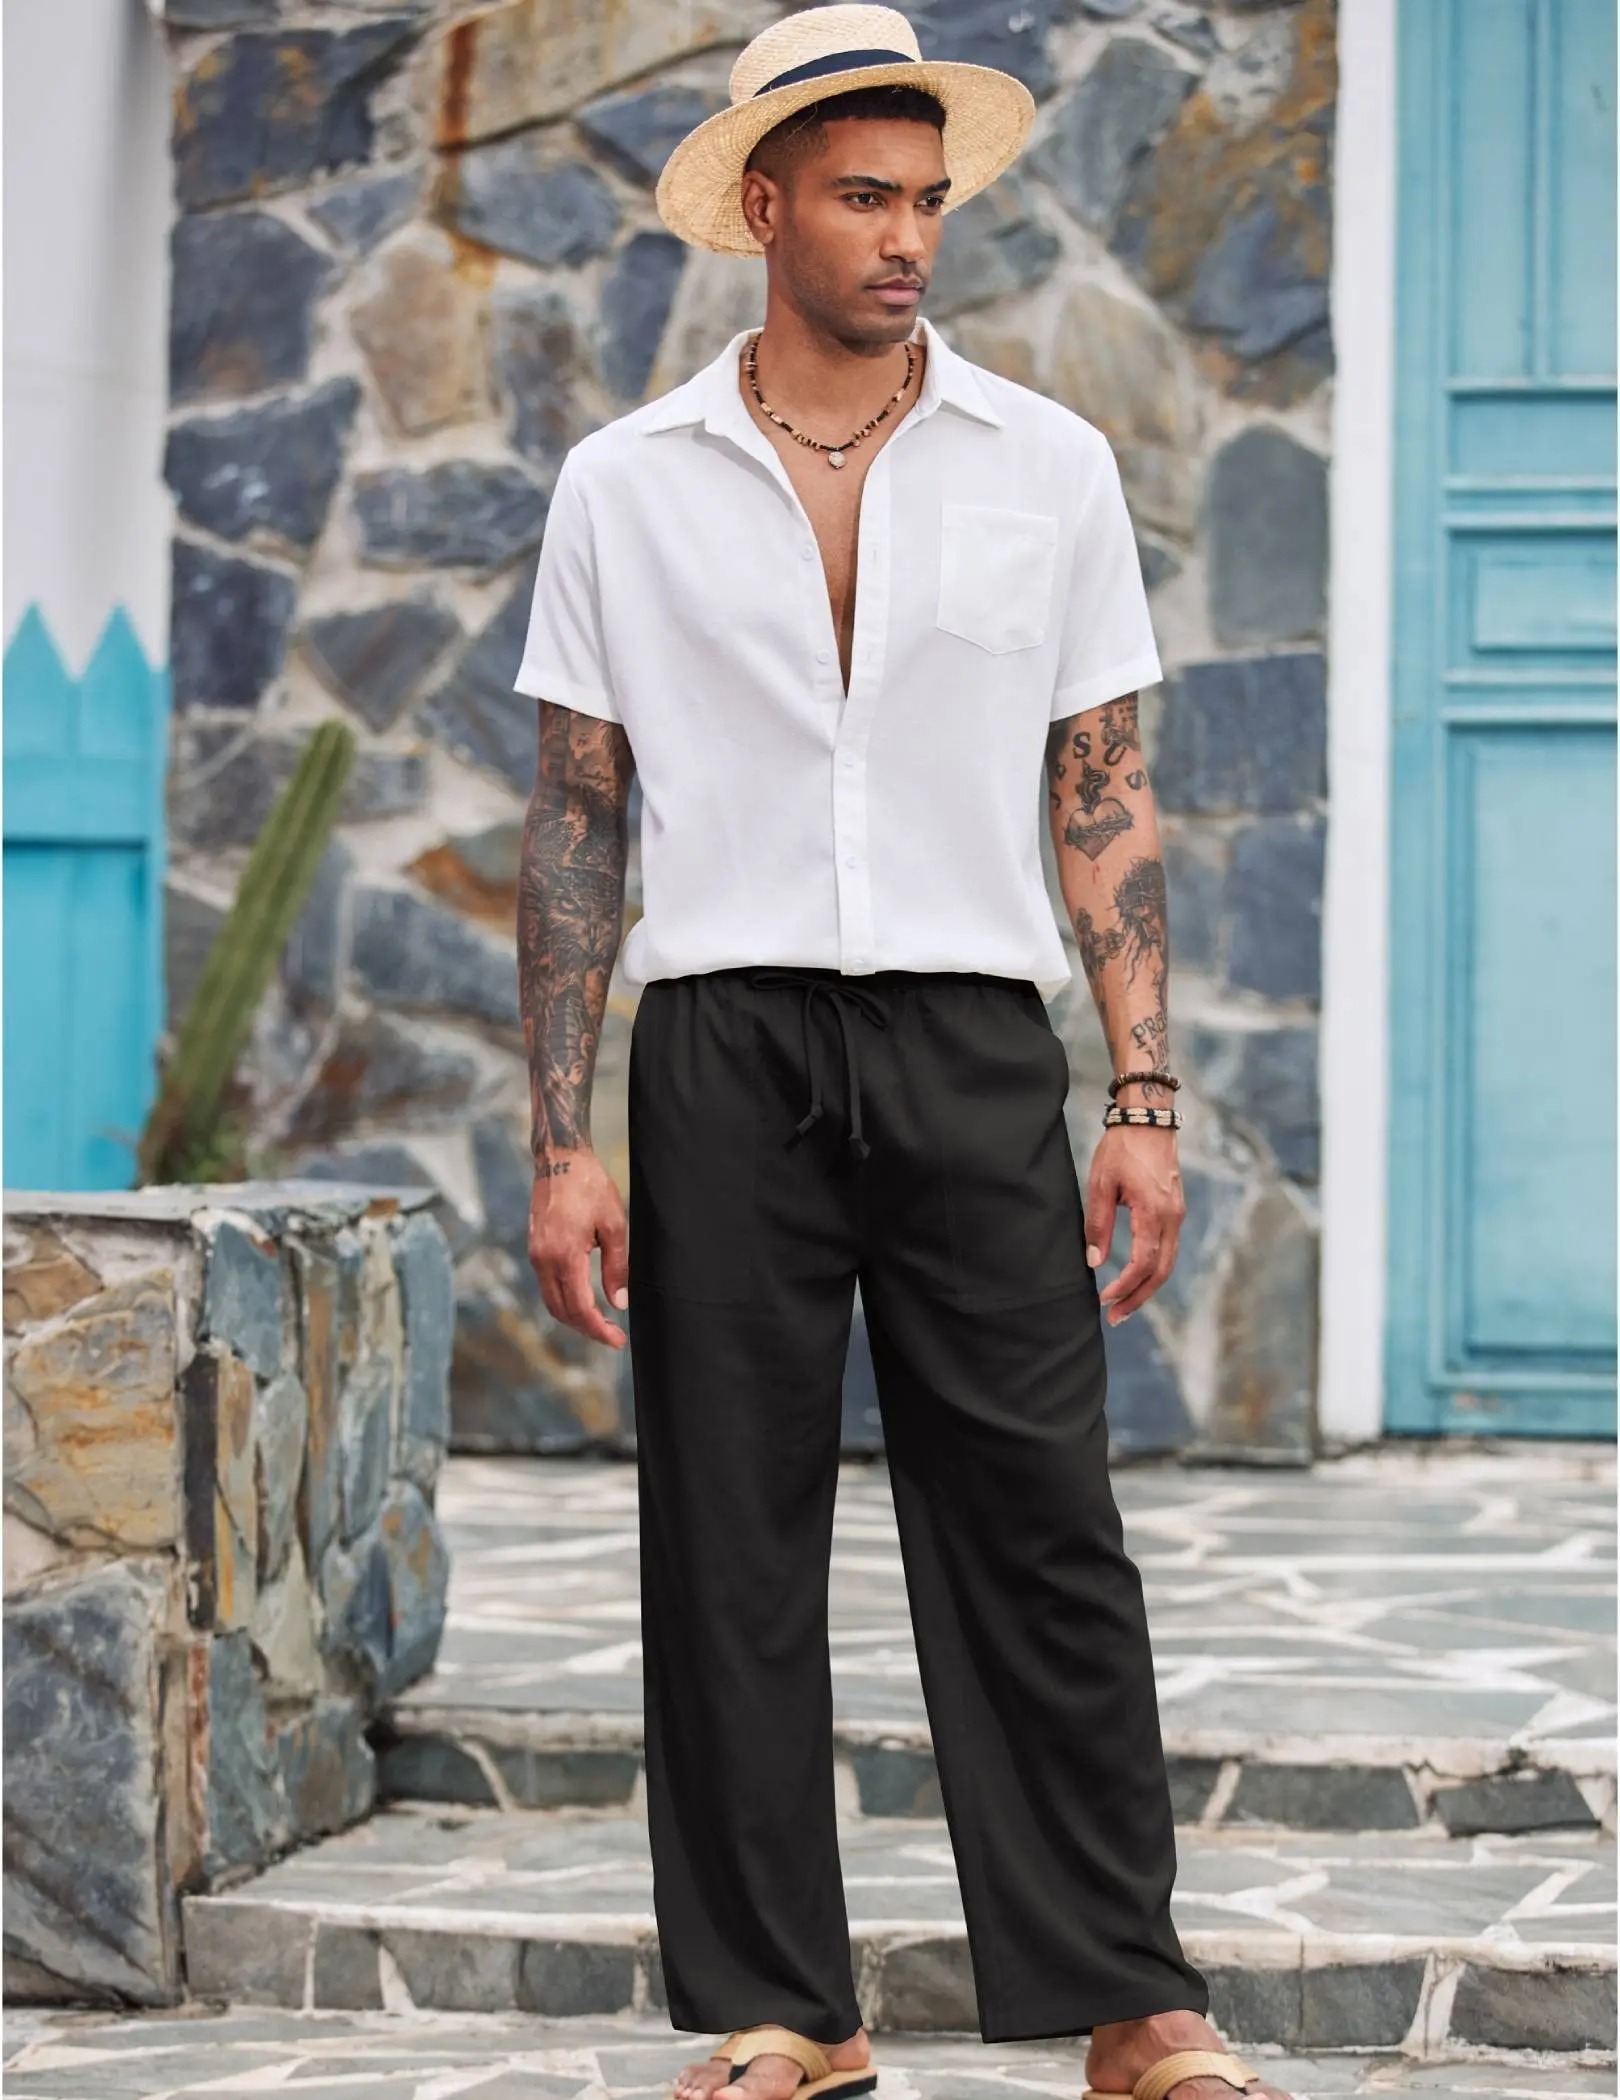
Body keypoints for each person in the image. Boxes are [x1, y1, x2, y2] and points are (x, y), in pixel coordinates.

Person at [512, 9, 1288, 2100]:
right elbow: (577, 818)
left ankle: (1131, 1999)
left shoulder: (1048, 464)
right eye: (865, 198)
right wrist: (561, 1139)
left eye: (929, 201)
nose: (907, 238)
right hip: (723, 1043)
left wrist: (1142, 1093)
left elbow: (1102, 789)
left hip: (967, 1036)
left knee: (1042, 1522)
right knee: (729, 1537)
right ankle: (792, 2006)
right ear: (762, 206)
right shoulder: (625, 485)